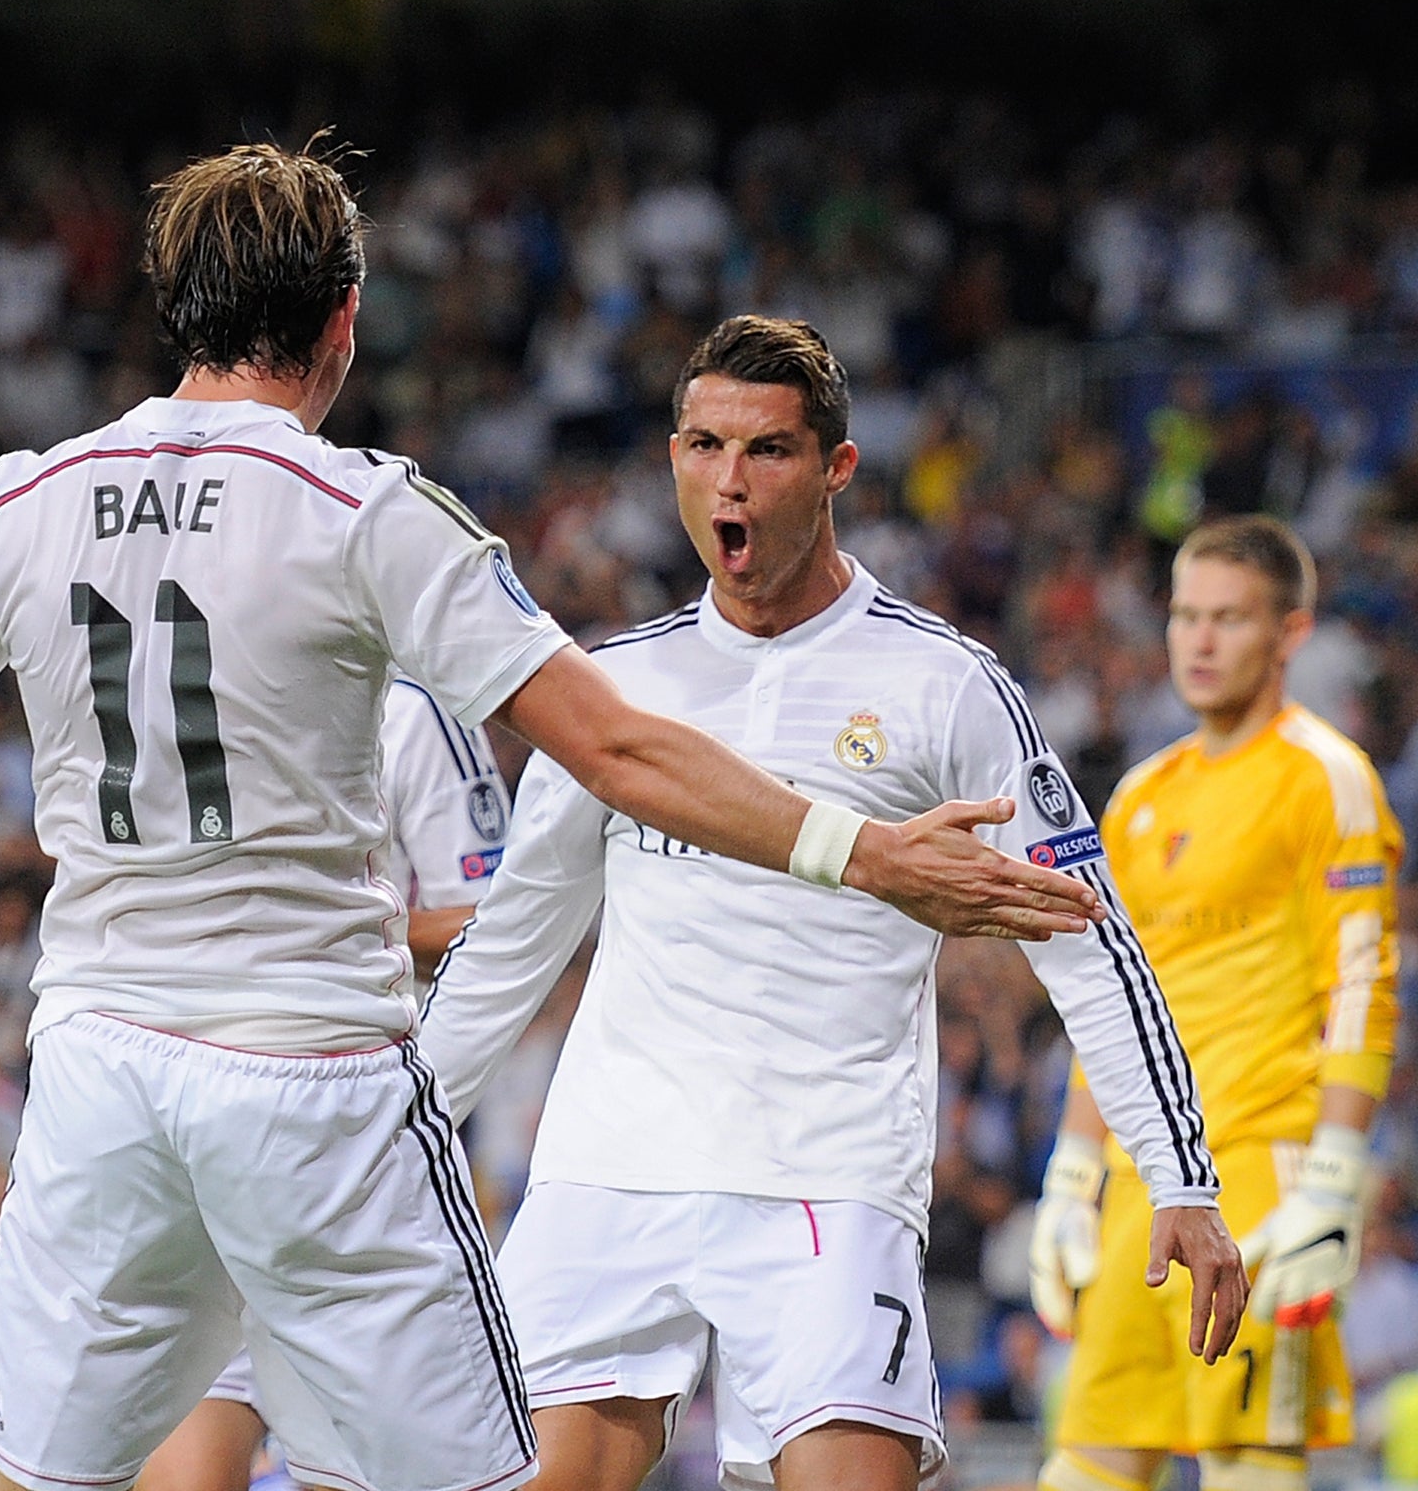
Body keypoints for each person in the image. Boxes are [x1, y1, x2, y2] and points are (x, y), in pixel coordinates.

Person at [0, 143, 1103, 1491]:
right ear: (343, 322)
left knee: (57, 1473)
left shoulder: (19, 499)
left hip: (99, 1077)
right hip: (313, 1082)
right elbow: (615, 749)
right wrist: (862, 850)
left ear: (172, 313)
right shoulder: (369, 510)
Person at [417, 315, 1247, 1491]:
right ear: (671, 459)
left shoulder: (939, 684)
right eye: (704, 446)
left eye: (766, 451)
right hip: (609, 1171)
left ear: (835, 469)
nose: (728, 480)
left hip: (825, 1180)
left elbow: (1086, 941)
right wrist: (392, 1135)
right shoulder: (616, 693)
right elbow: (508, 943)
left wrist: (1179, 1176)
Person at [1030, 515, 1402, 1491]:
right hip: (1137, 1189)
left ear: (1288, 632)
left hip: (1258, 1182)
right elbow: (1108, 1003)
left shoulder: (1326, 779)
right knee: (1084, 1465)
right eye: (1183, 616)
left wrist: (1331, 1178)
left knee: (1246, 1468)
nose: (1196, 641)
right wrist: (1071, 1172)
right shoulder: (1137, 795)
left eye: (1227, 619)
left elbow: (1361, 984)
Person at [138, 675, 514, 1491]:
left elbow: (498, 922)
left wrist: (324, 928)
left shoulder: (415, 711)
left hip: (351, 1141)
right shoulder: (177, 683)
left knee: (348, 1473)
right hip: (192, 1117)